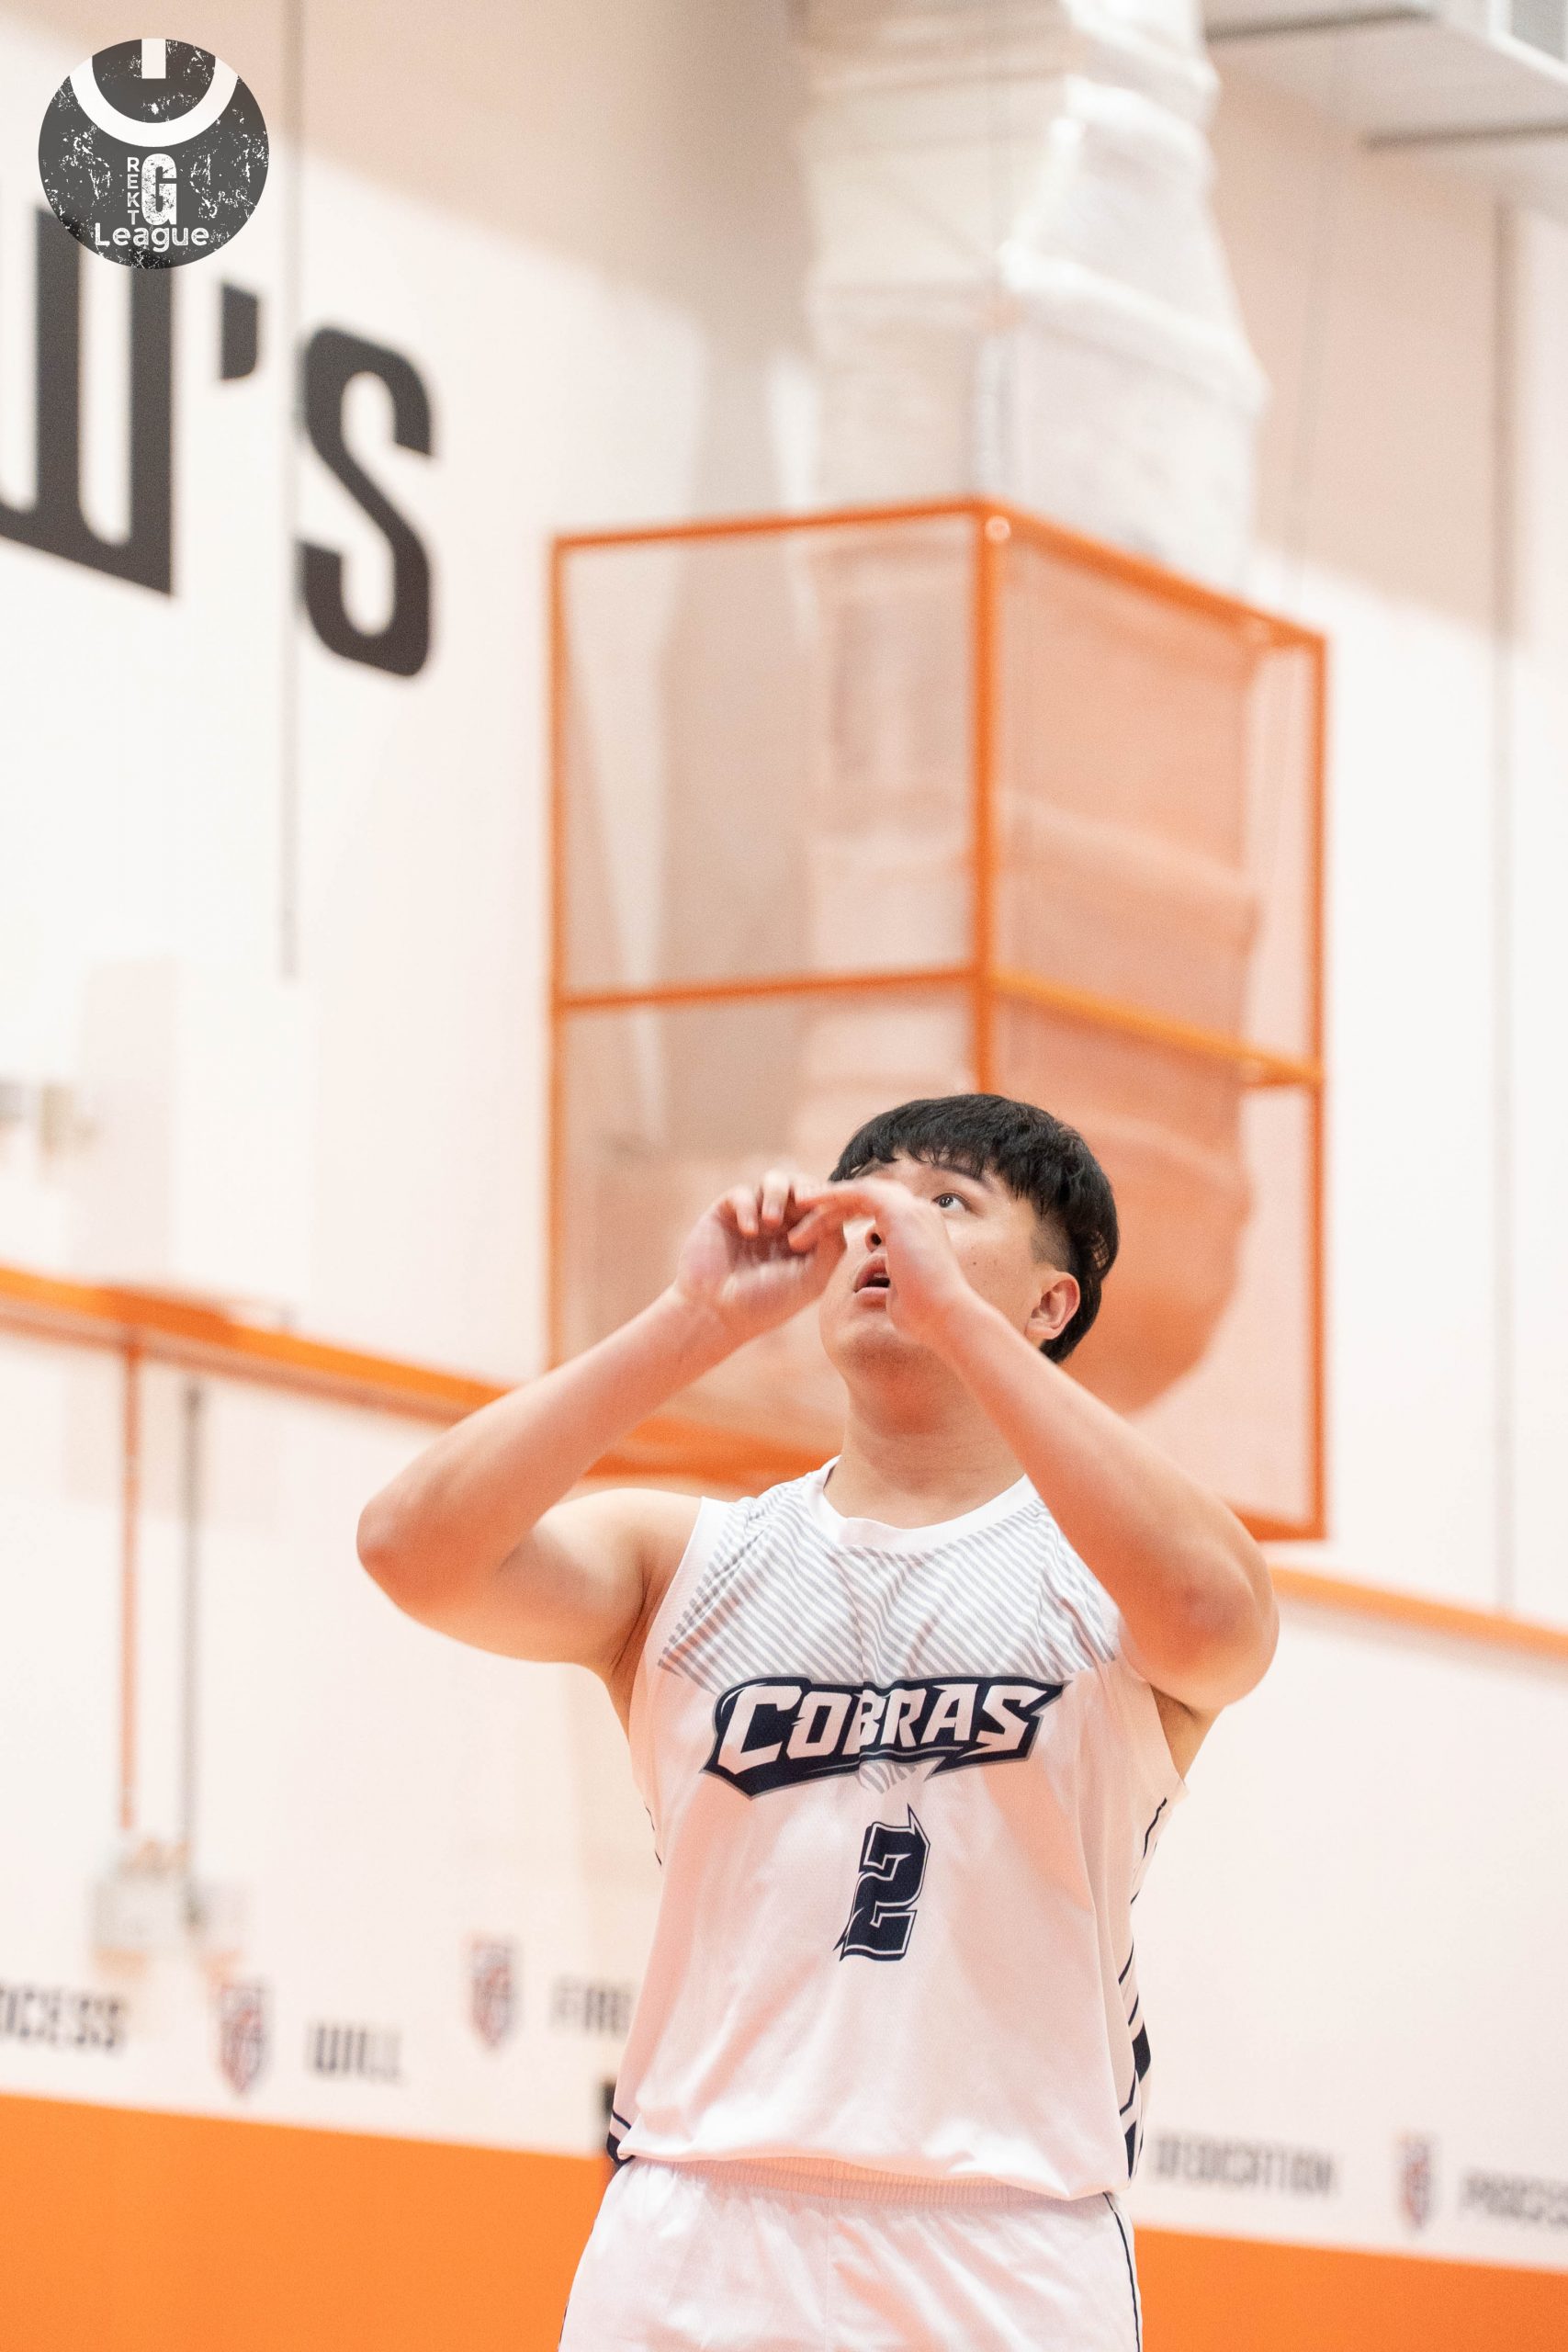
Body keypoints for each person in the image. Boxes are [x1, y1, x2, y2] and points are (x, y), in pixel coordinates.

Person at [356, 1091, 1279, 2349]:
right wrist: (693, 1321)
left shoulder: (1110, 1578)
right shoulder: (687, 1560)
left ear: (1051, 1304)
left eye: (947, 1204)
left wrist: (960, 1322)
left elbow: (1223, 1621)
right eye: (870, 1202)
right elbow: (411, 1550)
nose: (888, 1229)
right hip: (695, 2225)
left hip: (1004, 2239)